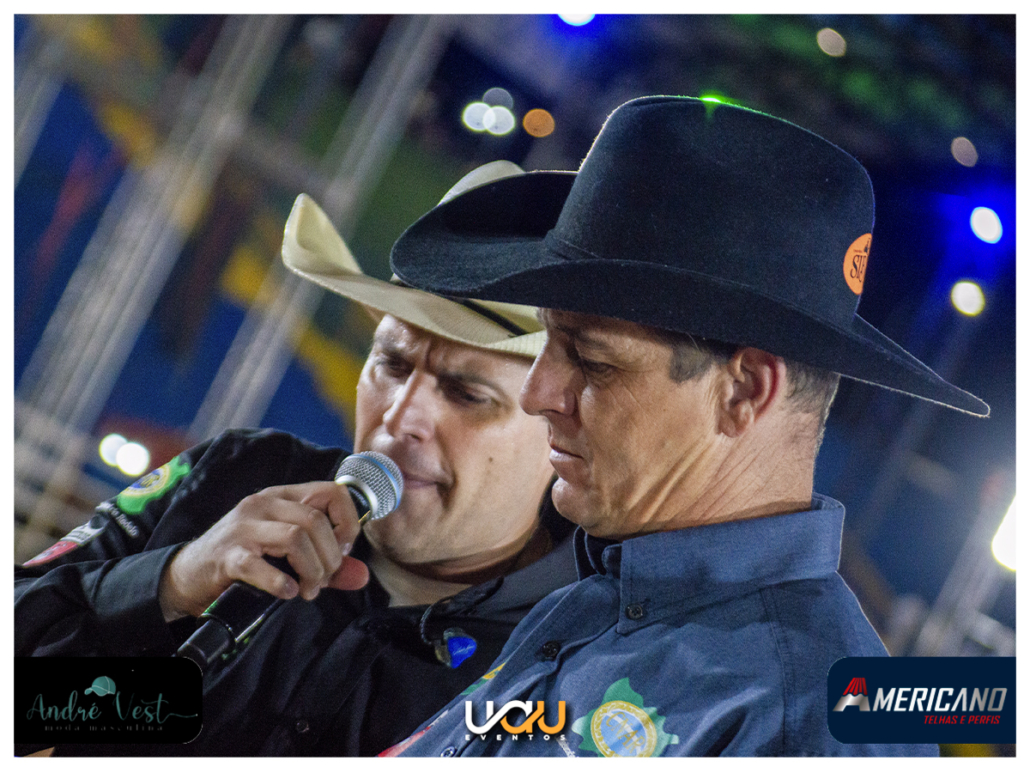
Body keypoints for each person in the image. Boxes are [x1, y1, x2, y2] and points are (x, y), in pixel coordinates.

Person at [379, 96, 989, 757]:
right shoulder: (600, 600)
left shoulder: (806, 727)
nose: (537, 393)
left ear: (744, 390)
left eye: (592, 360)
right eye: (549, 343)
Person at [14, 161, 580, 756]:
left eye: (467, 394)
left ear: (561, 430)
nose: (399, 418)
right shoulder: (237, 476)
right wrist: (173, 582)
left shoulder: (579, 658)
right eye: (391, 365)